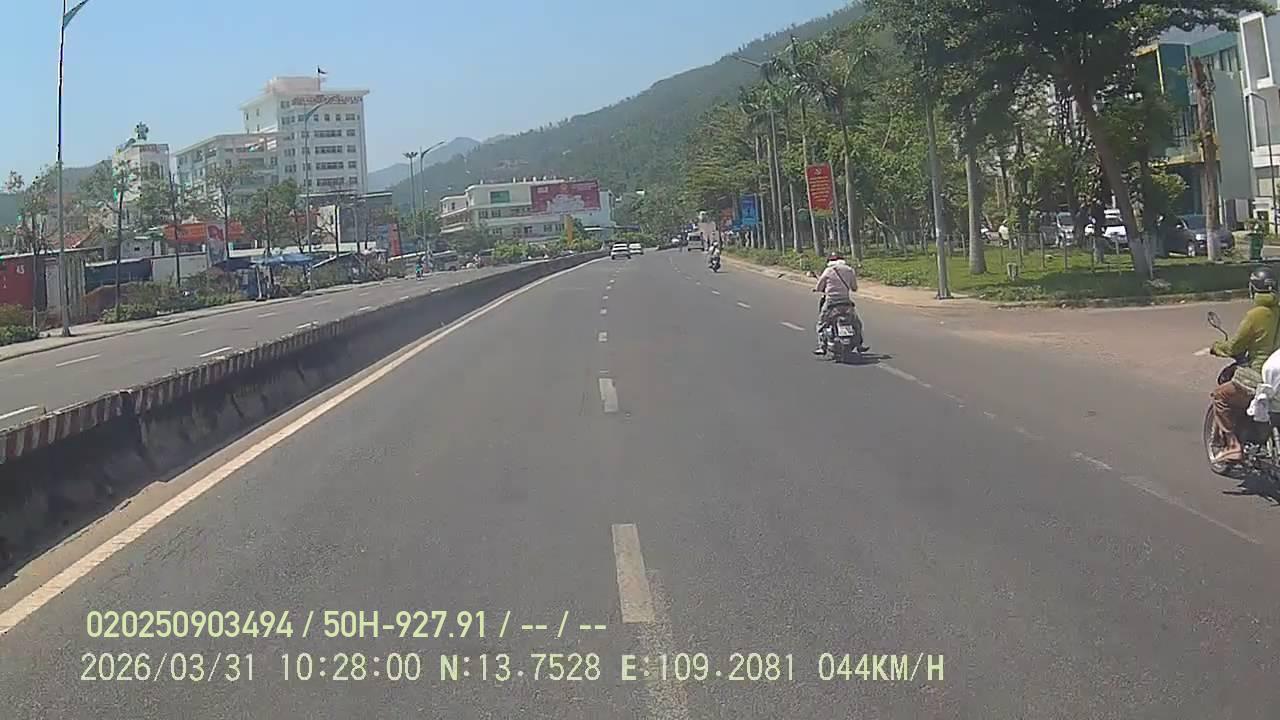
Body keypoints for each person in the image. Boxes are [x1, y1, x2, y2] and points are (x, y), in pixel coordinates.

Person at [1210, 266, 1280, 463]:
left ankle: (1233, 446)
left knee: (1220, 396)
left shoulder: (1255, 315)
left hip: (1258, 375)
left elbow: (1235, 346)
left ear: (1252, 289)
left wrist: (1217, 347)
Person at [813, 252, 868, 355]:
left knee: (821, 323)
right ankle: (859, 345)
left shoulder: (828, 271)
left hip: (831, 302)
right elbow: (854, 288)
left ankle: (822, 346)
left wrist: (818, 289)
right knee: (857, 323)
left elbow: (819, 287)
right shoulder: (849, 270)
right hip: (846, 302)